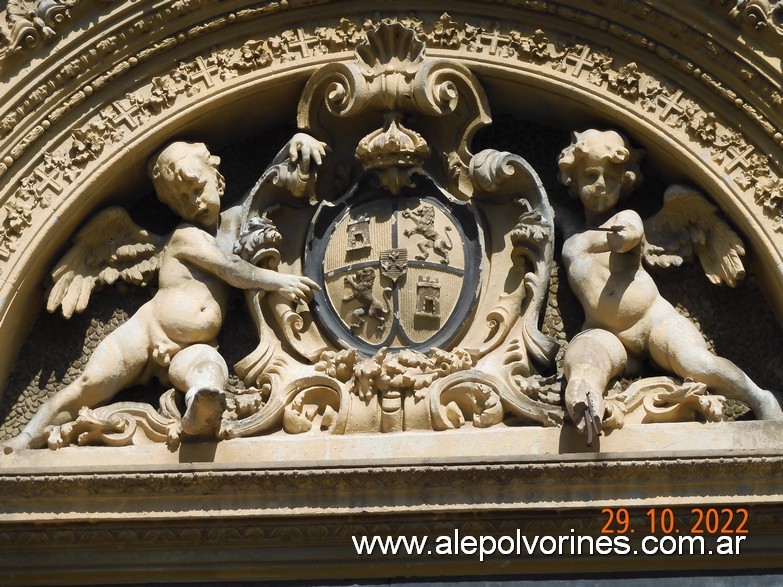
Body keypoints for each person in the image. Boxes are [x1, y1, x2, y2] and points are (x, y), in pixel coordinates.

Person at [3, 141, 320, 452]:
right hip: (145, 333)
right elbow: (231, 269)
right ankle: (25, 439)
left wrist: (293, 145)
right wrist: (279, 281)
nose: (193, 203)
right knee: (89, 385)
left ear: (218, 179)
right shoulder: (185, 236)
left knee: (209, 371)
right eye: (180, 201)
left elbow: (263, 188)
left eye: (197, 189)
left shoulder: (237, 221)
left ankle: (200, 409)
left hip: (193, 345)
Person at [557, 129, 782, 438]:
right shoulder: (570, 231)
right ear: (572, 179)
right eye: (591, 175)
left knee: (696, 363)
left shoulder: (625, 218)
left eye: (610, 178)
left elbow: (630, 233)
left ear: (625, 182)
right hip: (605, 332)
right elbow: (545, 214)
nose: (600, 185)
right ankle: (587, 401)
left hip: (654, 322)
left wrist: (619, 238)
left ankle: (759, 396)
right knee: (583, 357)